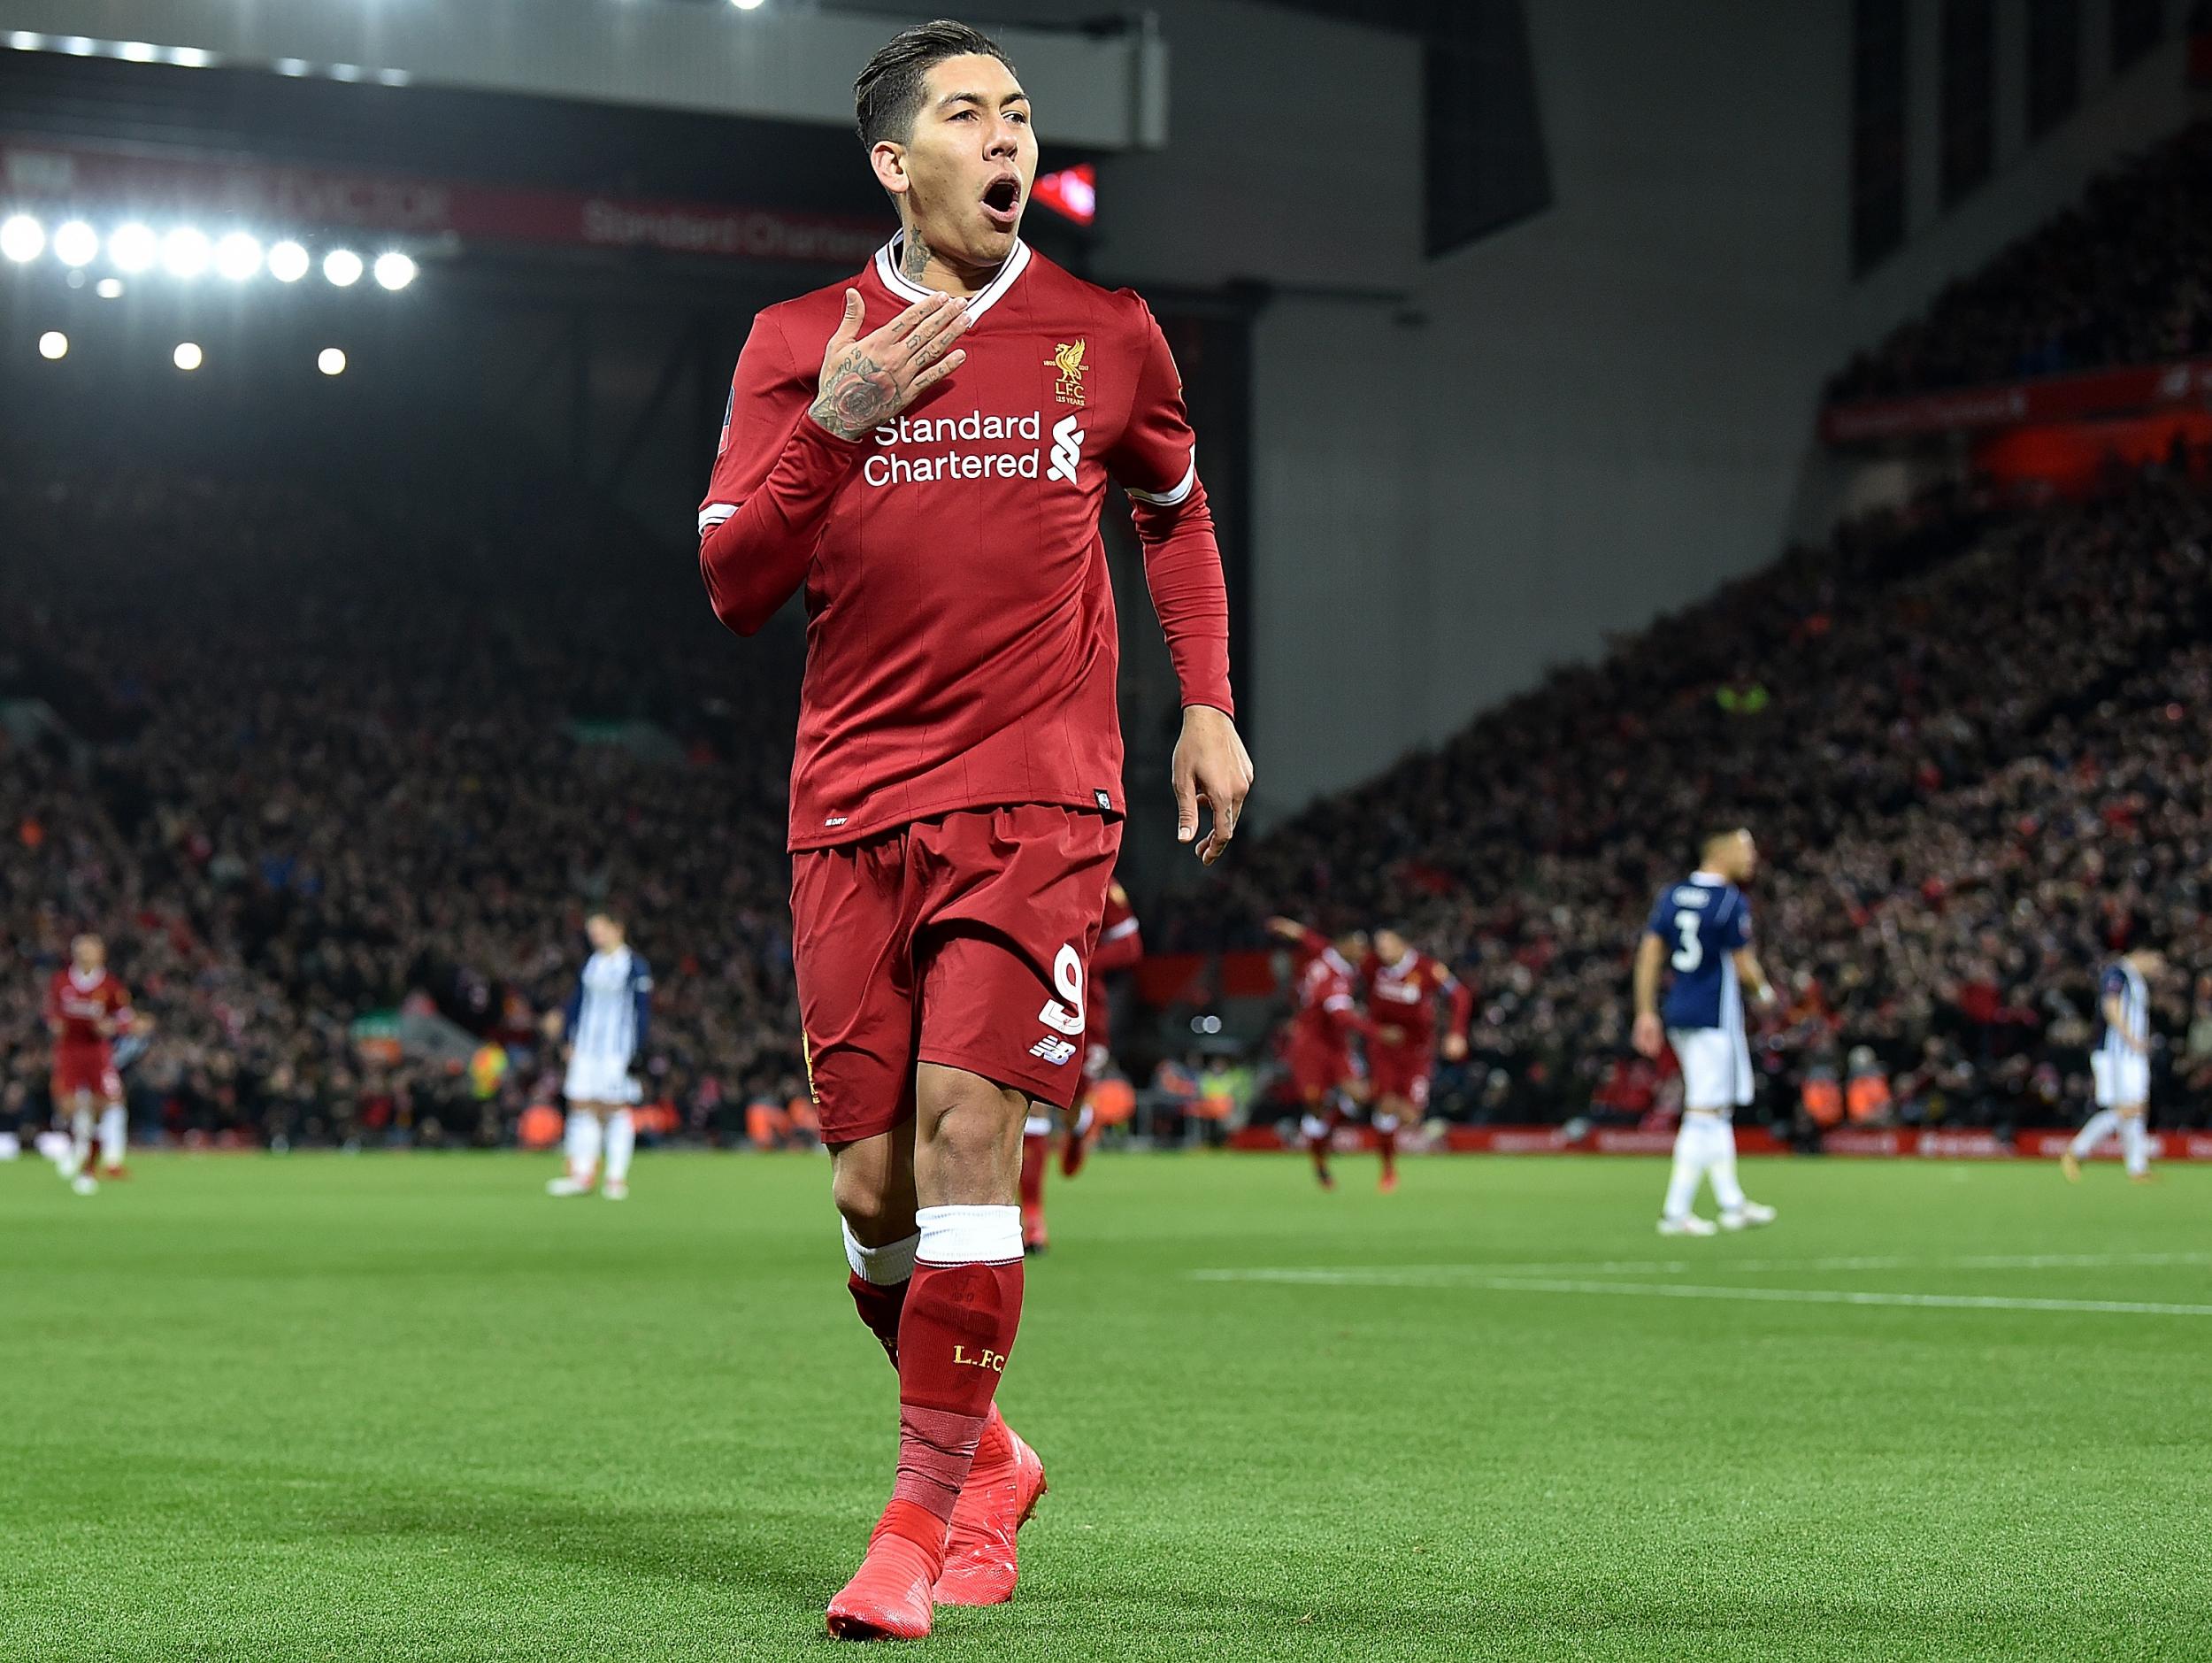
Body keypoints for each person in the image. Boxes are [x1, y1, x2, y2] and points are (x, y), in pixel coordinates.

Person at [695, 19, 1249, 1641]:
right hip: (848, 801)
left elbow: (1176, 509)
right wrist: (837, 421)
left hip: (1037, 794)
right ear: (895, 160)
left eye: (1020, 112)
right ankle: (987, 1456)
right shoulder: (804, 336)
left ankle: (912, 1524)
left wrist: (1204, 698)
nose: (1007, 136)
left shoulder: (1105, 330)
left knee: (964, 1146)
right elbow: (735, 581)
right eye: (969, 113)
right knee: (872, 1193)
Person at [1632, 829, 1780, 1236]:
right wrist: (1766, 993)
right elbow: (1743, 961)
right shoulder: (1730, 901)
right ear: (1720, 852)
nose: (1752, 858)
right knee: (1702, 1111)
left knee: (1716, 1111)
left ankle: (1732, 1203)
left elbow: (1649, 953)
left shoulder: (1673, 895)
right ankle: (1675, 1212)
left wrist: (1645, 1011)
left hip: (1679, 1008)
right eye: (1745, 849)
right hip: (1713, 1016)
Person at [1018, 877, 1141, 1253]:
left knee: (1072, 1102)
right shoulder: (1018, 866)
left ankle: (1080, 1125)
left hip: (1083, 1007)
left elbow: (1130, 947)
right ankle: (1033, 1218)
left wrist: (1079, 965)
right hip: (1028, 999)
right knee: (1033, 1102)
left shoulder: (1099, 878)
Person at [546, 912, 652, 1201]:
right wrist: (568, 1037)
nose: (596, 936)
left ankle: (616, 1178)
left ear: (618, 928)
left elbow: (642, 1011)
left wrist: (640, 1049)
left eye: (601, 930)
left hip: (616, 1050)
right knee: (581, 1106)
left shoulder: (634, 966)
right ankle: (582, 1174)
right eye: (592, 931)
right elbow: (577, 1002)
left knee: (615, 1109)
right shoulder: (591, 964)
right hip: (587, 1047)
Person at [1358, 926, 1472, 1193]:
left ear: (1403, 945)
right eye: (1379, 944)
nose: (1381, 950)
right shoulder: (1372, 965)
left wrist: (1456, 1033)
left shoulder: (1426, 969)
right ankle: (1387, 1170)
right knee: (1385, 1104)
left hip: (1417, 1053)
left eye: (1387, 944)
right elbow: (1334, 952)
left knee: (1410, 1115)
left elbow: (1460, 995)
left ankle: (1428, 1129)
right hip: (1383, 1050)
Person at [1266, 917, 1371, 1190]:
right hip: (1309, 1046)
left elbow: (1314, 940)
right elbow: (1340, 1015)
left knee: (1358, 1095)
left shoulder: (1332, 955)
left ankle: (1327, 1132)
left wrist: (1293, 929)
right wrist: (1374, 1030)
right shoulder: (1333, 976)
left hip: (1336, 1046)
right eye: (1358, 946)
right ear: (1345, 946)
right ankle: (1320, 1165)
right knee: (1315, 1105)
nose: (1362, 952)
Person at [2062, 947, 2163, 1183]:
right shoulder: (2118, 973)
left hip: (2128, 1054)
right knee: (2131, 1108)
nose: (2158, 967)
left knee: (2133, 1110)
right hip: (2118, 1054)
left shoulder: (2135, 979)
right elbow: (2111, 1006)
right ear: (2142, 954)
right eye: (2156, 960)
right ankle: (2076, 1150)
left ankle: (2137, 1167)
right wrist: (2131, 1038)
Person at [44, 934, 134, 1196]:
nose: (85, 954)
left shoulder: (110, 985)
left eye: (90, 950)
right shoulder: (61, 981)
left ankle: (90, 1168)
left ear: (100, 954)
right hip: (69, 1051)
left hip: (97, 1053)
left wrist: (112, 1027)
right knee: (68, 1106)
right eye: (81, 950)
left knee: (104, 1107)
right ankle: (77, 1145)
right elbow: (52, 1011)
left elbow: (124, 1018)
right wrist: (54, 1024)